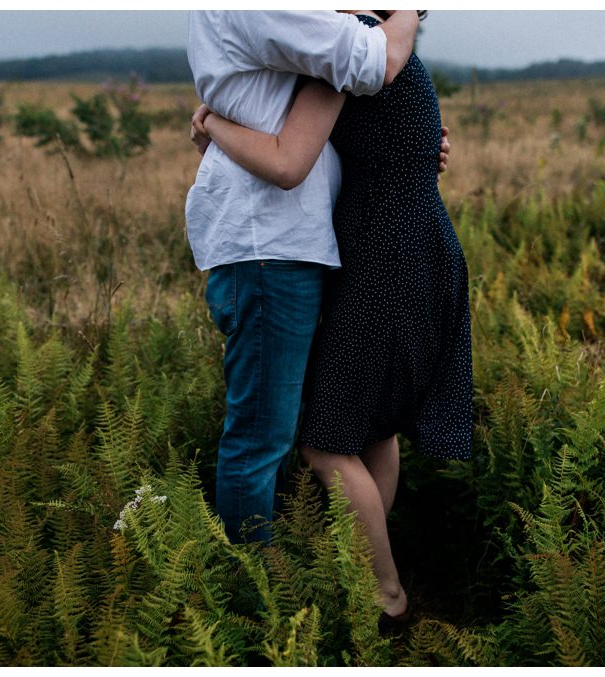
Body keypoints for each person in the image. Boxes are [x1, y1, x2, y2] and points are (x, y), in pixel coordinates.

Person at [191, 10, 474, 631]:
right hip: (403, 251)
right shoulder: (377, 63)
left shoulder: (344, 66)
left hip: (382, 258)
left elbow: (289, 160)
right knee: (373, 429)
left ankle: (384, 595)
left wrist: (212, 123)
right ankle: (362, 569)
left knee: (325, 444)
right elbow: (411, 141)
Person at [183, 10, 423, 546]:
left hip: (296, 245)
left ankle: (331, 575)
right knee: (261, 438)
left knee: (320, 425)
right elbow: (372, 60)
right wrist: (406, 11)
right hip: (270, 247)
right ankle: (256, 601)